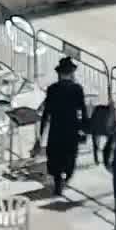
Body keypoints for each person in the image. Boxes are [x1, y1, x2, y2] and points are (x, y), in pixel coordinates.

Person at [36, 57, 89, 197]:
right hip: (71, 128)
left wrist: (41, 133)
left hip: (56, 128)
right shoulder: (77, 89)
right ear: (71, 73)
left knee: (55, 157)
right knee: (70, 156)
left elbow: (46, 113)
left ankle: (58, 182)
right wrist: (84, 128)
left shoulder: (52, 89)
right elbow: (82, 110)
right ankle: (66, 177)